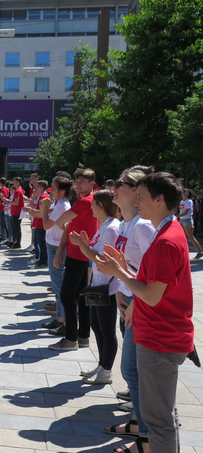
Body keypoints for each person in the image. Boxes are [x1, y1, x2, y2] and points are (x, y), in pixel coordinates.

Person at [96, 173, 194, 453]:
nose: (136, 202)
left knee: (158, 419)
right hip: (159, 333)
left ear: (159, 199)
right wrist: (123, 270)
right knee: (163, 413)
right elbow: (150, 284)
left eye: (141, 196)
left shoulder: (165, 240)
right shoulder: (166, 231)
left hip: (159, 337)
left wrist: (119, 273)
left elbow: (151, 295)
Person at [101, 166, 155, 453]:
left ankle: (146, 437)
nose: (115, 187)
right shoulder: (125, 223)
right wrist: (122, 293)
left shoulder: (143, 226)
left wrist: (134, 300)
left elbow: (150, 271)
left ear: (135, 192)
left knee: (132, 371)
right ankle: (137, 422)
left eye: (121, 183)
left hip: (138, 304)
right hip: (128, 301)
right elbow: (127, 266)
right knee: (132, 369)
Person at [68, 190, 120, 384]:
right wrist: (87, 244)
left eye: (93, 204)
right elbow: (98, 252)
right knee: (97, 328)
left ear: (101, 205)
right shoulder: (105, 226)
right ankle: (102, 364)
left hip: (108, 287)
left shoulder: (112, 228)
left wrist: (82, 246)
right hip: (99, 283)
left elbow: (104, 260)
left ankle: (106, 371)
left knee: (106, 330)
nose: (90, 207)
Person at [49, 168, 98, 351]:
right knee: (81, 298)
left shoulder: (85, 202)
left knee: (67, 296)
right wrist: (61, 247)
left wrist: (64, 225)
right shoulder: (85, 201)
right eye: (76, 181)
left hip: (79, 255)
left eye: (82, 182)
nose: (77, 185)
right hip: (79, 254)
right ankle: (83, 336)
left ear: (91, 184)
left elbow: (62, 221)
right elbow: (68, 225)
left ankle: (71, 339)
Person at [39, 175, 74, 335]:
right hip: (53, 245)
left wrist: (44, 207)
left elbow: (46, 225)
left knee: (59, 287)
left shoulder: (61, 205)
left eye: (53, 188)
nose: (50, 191)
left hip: (56, 246)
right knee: (57, 285)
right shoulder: (59, 204)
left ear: (61, 190)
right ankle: (60, 319)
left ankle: (64, 322)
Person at [176, 189, 202, 259]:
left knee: (191, 237)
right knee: (181, 237)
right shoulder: (182, 201)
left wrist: (176, 217)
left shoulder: (189, 201)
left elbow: (185, 212)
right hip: (181, 220)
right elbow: (181, 211)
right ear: (182, 194)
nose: (185, 194)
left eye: (187, 193)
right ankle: (181, 253)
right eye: (184, 192)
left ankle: (200, 252)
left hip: (187, 220)